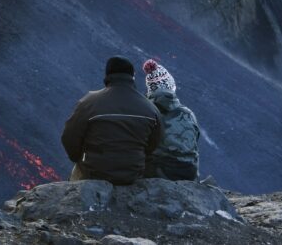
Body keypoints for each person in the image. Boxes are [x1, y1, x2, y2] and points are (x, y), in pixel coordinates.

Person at [61, 56, 163, 184]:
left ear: (108, 75)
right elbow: (154, 143)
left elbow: (69, 137)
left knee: (76, 176)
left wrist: (77, 158)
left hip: (93, 173)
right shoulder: (150, 109)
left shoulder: (89, 102)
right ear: (133, 76)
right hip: (132, 174)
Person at [141, 59, 200, 181]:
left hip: (158, 174)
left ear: (150, 91)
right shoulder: (188, 114)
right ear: (171, 88)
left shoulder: (145, 113)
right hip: (189, 173)